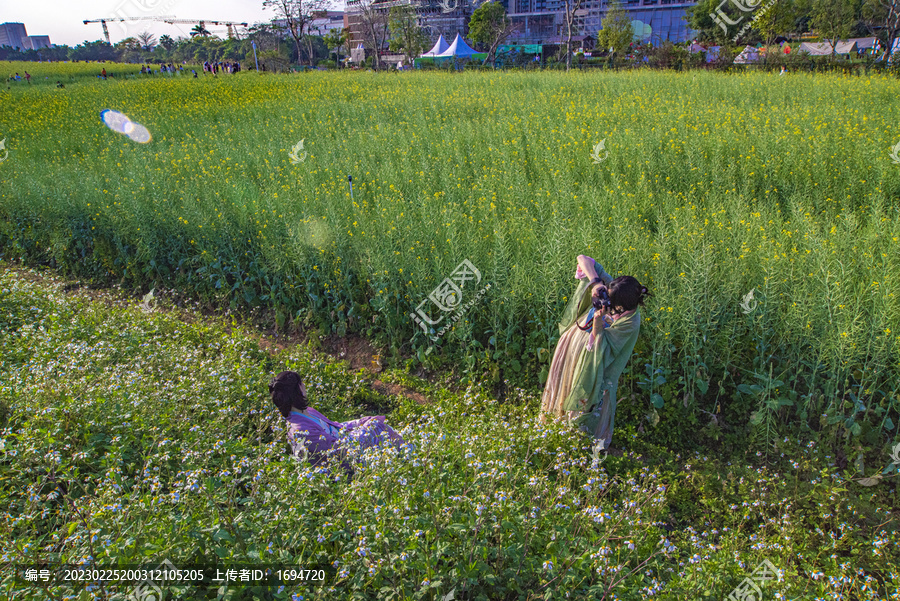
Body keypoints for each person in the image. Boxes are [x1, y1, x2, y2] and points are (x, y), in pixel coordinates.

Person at [540, 255, 650, 449]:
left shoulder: (630, 323)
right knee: (566, 385)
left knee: (589, 399)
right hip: (571, 352)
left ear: (622, 306)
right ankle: (557, 427)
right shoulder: (611, 290)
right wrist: (596, 283)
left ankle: (581, 442)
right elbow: (583, 258)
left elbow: (604, 348)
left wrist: (598, 320)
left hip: (594, 368)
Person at [269, 371, 404, 464]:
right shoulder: (301, 429)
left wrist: (359, 423)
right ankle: (409, 457)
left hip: (344, 442)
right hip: (341, 462)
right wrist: (366, 430)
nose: (304, 386)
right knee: (379, 429)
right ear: (297, 391)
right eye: (302, 384)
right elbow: (336, 451)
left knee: (378, 428)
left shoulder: (306, 412)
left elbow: (335, 425)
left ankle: (406, 454)